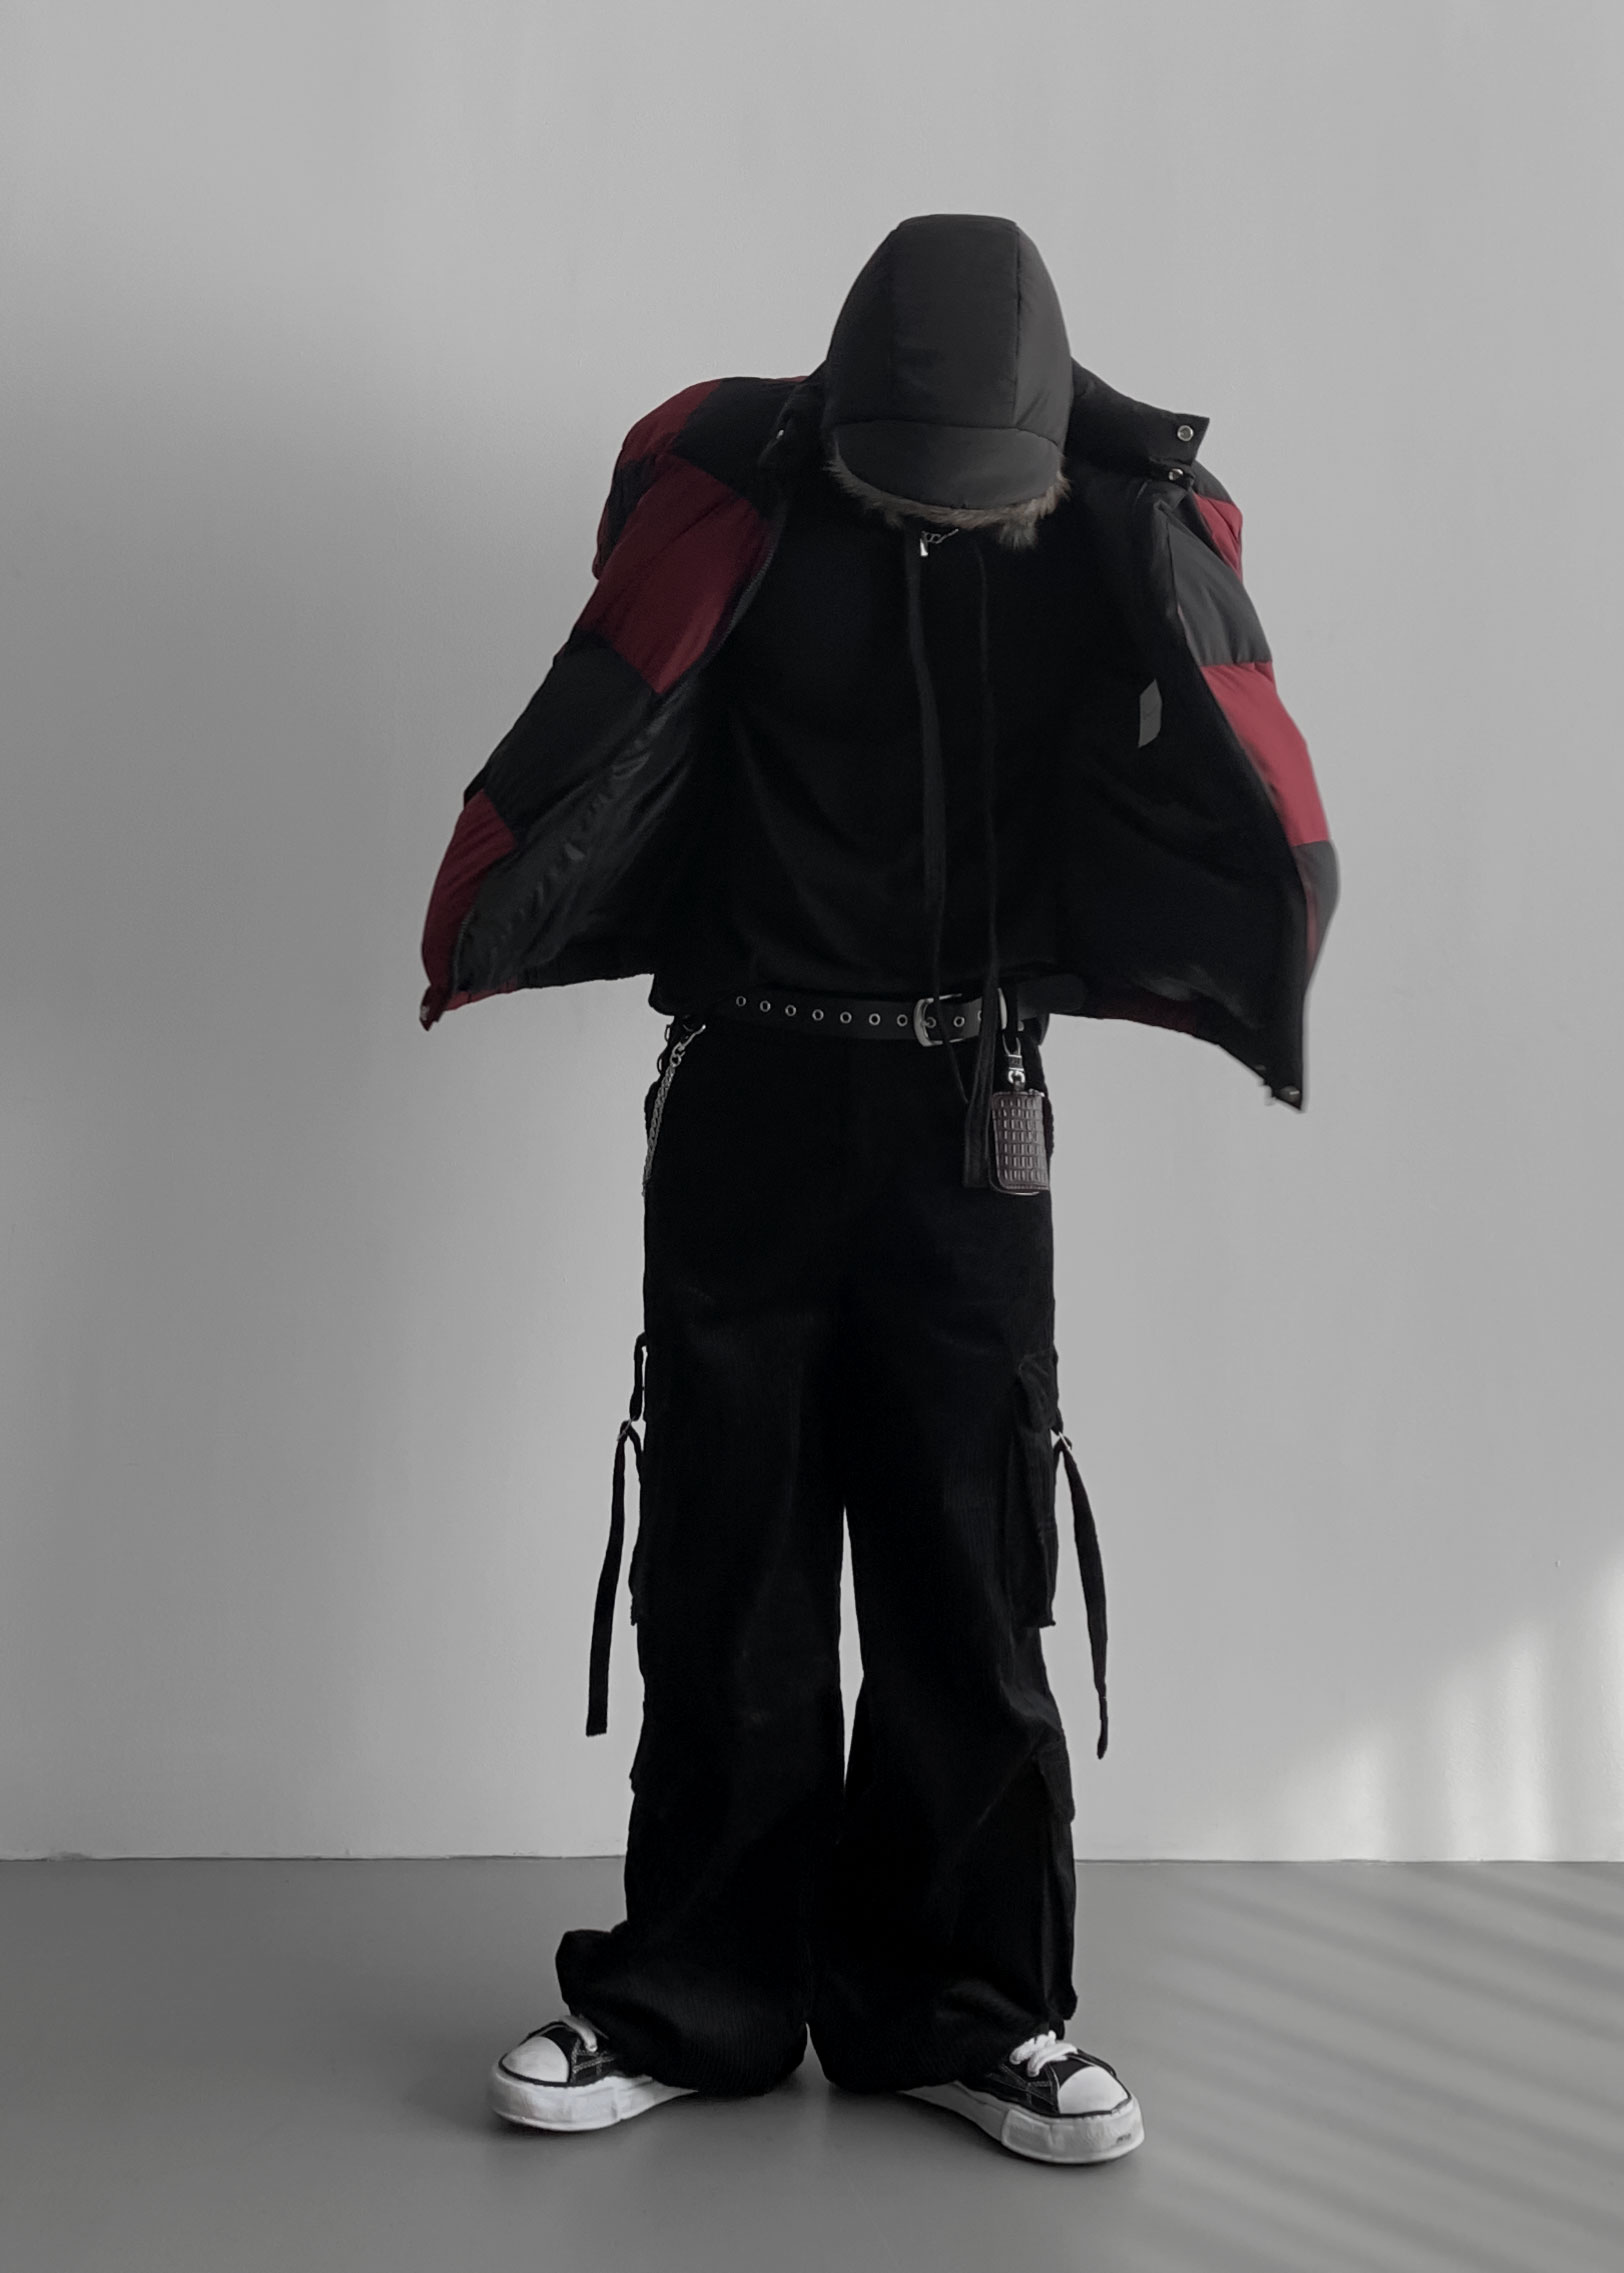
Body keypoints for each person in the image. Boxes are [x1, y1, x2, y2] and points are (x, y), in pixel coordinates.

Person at [418, 213, 1339, 2166]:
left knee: (969, 1560)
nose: (941, 511)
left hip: (970, 1103)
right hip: (745, 1082)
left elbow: (1212, 756)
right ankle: (690, 2001)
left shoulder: (1123, 525)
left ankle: (967, 2010)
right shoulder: (727, 492)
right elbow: (615, 703)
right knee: (721, 1559)